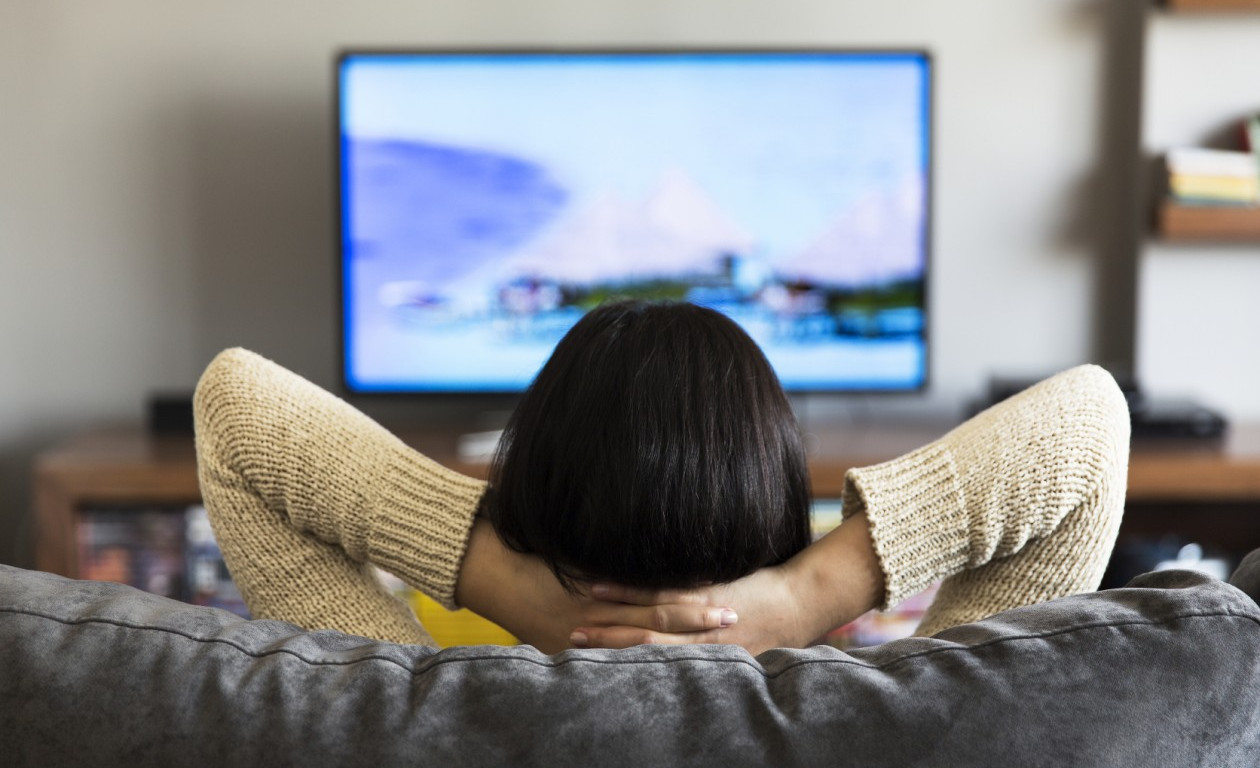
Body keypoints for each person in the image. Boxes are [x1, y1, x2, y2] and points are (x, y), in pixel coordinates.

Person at [194, 300, 1130, 654]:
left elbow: (234, 408)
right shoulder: (912, 728)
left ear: (532, 502)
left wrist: (511, 590)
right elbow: (1089, 421)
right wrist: (808, 596)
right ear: (774, 518)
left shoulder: (406, 723)